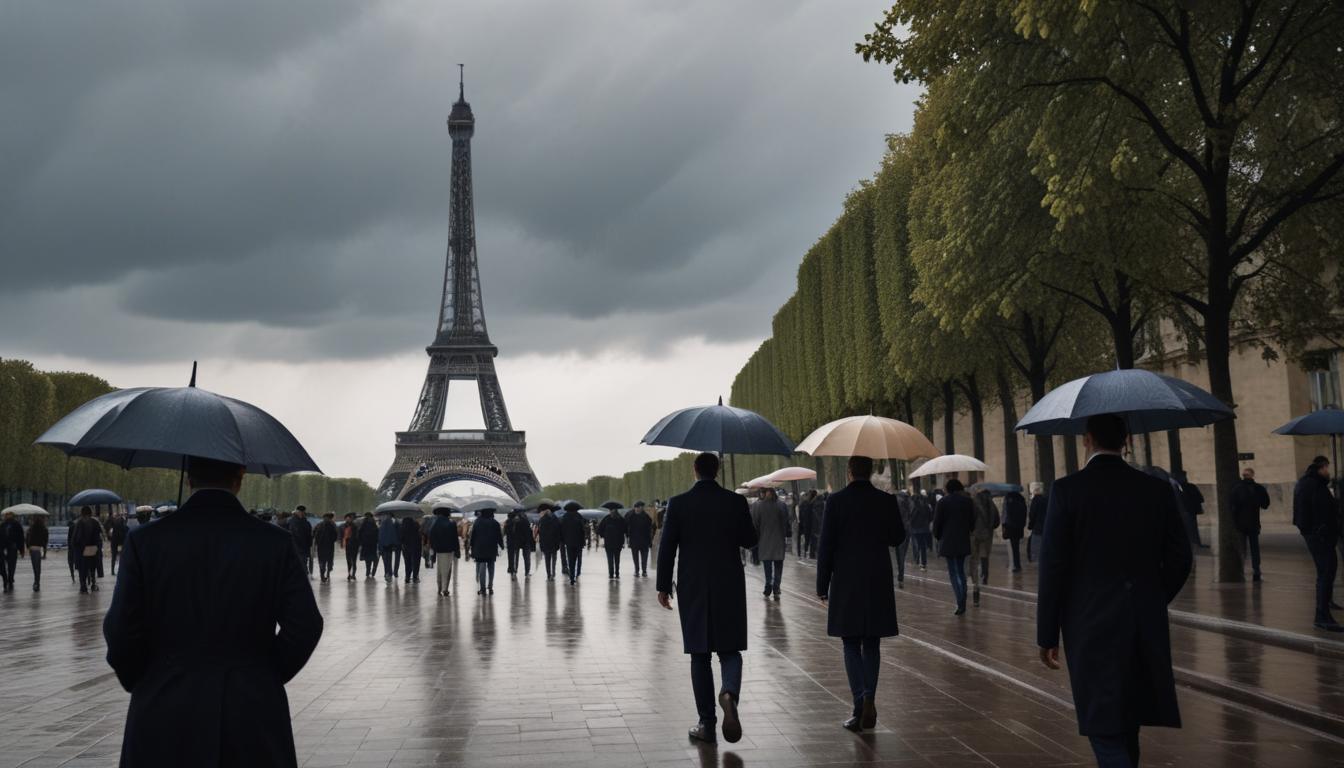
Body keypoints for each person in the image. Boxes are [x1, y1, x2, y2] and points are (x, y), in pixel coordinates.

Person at [103, 455, 323, 767]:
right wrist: (262, 674)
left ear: (188, 478)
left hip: (164, 706)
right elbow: (306, 625)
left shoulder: (145, 541)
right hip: (251, 708)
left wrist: (147, 679)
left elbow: (120, 629)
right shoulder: (275, 542)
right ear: (241, 476)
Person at [1037, 414, 1193, 767]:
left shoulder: (1067, 490)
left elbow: (1053, 567)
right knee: (1129, 718)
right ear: (1126, 441)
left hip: (1089, 620)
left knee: (1104, 726)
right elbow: (1181, 557)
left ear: (1087, 439)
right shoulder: (1155, 489)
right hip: (1142, 619)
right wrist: (1152, 596)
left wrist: (1047, 633)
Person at [656, 452, 757, 745]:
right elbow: (749, 540)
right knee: (730, 650)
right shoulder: (735, 502)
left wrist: (663, 586)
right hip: (729, 584)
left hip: (693, 585)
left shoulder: (678, 503)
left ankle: (707, 723)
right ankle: (729, 692)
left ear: (695, 470)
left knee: (699, 655)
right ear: (718, 470)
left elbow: (667, 548)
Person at [816, 456, 905, 732]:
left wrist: (822, 585)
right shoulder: (886, 500)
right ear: (870, 473)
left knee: (850, 643)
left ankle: (859, 703)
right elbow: (897, 537)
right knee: (873, 644)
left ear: (849, 472)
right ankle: (869, 697)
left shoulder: (836, 501)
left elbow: (826, 545)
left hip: (847, 579)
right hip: (877, 578)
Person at [1293, 456, 1342, 632]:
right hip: (1320, 536)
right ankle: (1322, 615)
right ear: (1321, 468)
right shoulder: (1315, 486)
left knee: (1325, 572)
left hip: (1314, 534)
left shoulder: (1305, 483)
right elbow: (1323, 510)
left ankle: (1323, 612)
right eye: (1327, 468)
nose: (1328, 472)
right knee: (1326, 572)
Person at [931, 479, 975, 615]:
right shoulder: (968, 501)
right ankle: (962, 598)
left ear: (948, 489)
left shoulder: (943, 502)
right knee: (961, 571)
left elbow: (937, 522)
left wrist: (938, 536)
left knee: (953, 572)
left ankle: (960, 600)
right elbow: (972, 522)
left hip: (948, 541)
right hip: (963, 539)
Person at [1230, 467, 1271, 583]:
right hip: (1253, 522)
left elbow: (1232, 507)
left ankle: (1240, 568)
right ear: (1252, 475)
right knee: (1254, 547)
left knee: (1242, 547)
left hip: (1240, 523)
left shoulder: (1236, 489)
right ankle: (1256, 569)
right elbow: (1265, 504)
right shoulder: (1258, 489)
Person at [750, 487, 790, 599]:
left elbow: (755, 524)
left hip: (764, 540)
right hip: (779, 541)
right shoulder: (781, 505)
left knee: (767, 566)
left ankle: (768, 584)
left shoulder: (758, 506)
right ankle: (776, 587)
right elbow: (786, 521)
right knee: (778, 565)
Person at [969, 488, 999, 605]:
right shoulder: (991, 504)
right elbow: (997, 520)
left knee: (974, 559)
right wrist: (990, 527)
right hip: (987, 534)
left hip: (974, 534)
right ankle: (985, 575)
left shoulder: (973, 503)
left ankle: (976, 582)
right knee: (985, 555)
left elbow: (970, 518)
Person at [469, 508, 504, 595]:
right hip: (491, 548)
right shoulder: (495, 523)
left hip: (479, 548)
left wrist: (471, 546)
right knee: (491, 567)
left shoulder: (477, 522)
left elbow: (473, 536)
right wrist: (501, 545)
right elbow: (499, 536)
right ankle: (490, 587)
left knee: (482, 567)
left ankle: (483, 588)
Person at [71, 505, 104, 593]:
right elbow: (100, 536)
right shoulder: (95, 522)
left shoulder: (79, 523)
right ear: (90, 513)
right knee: (93, 568)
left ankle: (83, 587)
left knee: (83, 570)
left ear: (82, 513)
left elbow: (76, 539)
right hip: (93, 549)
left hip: (82, 550)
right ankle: (93, 584)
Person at [428, 507, 460, 596]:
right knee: (447, 570)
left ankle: (439, 587)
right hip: (448, 550)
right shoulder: (451, 523)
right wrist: (457, 550)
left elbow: (431, 536)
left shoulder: (434, 523)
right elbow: (455, 538)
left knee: (440, 569)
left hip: (438, 550)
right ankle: (445, 589)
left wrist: (433, 550)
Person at [1175, 471, 1207, 548]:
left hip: (1186, 510)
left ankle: (1192, 543)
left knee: (1187, 528)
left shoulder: (1179, 488)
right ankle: (1196, 543)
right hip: (1191, 510)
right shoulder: (1190, 486)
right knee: (1193, 528)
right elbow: (1201, 498)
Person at [598, 505, 628, 579]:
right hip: (614, 542)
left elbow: (600, 529)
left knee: (613, 559)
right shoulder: (620, 519)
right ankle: (614, 573)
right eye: (611, 510)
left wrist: (603, 535)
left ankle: (613, 573)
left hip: (613, 542)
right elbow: (625, 530)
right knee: (614, 559)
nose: (612, 511)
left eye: (612, 510)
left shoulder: (607, 519)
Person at [560, 501, 586, 585]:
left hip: (569, 542)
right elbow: (582, 531)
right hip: (578, 541)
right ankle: (577, 572)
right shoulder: (579, 517)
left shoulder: (564, 517)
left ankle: (571, 577)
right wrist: (583, 542)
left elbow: (562, 531)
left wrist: (563, 540)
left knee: (571, 559)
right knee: (578, 558)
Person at [1002, 489, 1027, 573]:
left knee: (1012, 547)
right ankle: (1017, 564)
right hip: (1019, 526)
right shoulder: (1021, 499)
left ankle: (1014, 565)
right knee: (1016, 547)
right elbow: (1025, 513)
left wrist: (1004, 525)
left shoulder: (1008, 500)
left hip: (1010, 526)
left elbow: (1005, 514)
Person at [626, 502, 654, 577]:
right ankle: (637, 570)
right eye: (638, 507)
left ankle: (644, 571)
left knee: (644, 558)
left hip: (644, 541)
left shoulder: (646, 517)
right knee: (635, 558)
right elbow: (627, 527)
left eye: (641, 507)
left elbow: (650, 528)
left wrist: (650, 541)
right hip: (634, 541)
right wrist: (628, 539)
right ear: (635, 508)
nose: (639, 509)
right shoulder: (631, 516)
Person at [908, 489, 933, 572]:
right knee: (923, 546)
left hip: (916, 529)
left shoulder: (915, 507)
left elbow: (912, 518)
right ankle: (923, 563)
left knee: (917, 545)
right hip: (925, 529)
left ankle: (919, 561)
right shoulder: (926, 506)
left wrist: (911, 523)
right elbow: (930, 517)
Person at [536, 502, 562, 580]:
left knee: (547, 559)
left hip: (545, 543)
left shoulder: (541, 520)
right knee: (554, 558)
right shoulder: (555, 519)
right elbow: (558, 531)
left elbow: (540, 532)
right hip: (554, 542)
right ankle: (553, 572)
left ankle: (548, 574)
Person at [310, 512, 338, 584]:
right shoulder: (333, 525)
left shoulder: (318, 525)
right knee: (329, 560)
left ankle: (322, 575)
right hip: (329, 546)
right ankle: (328, 573)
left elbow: (313, 534)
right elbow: (335, 536)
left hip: (320, 547)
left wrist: (316, 542)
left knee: (322, 561)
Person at [0, 510, 24, 593]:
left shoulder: (17, 525)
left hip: (12, 547)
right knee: (2, 567)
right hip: (2, 548)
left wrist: (21, 550)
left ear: (12, 516)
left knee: (11, 566)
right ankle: (6, 580)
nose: (7, 516)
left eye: (9, 515)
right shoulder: (3, 525)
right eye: (6, 515)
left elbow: (21, 538)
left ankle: (10, 580)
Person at [286, 506, 314, 578]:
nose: (301, 514)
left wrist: (309, 545)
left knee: (303, 563)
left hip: (304, 548)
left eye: (302, 512)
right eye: (300, 512)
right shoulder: (291, 522)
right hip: (294, 547)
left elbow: (309, 536)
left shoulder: (306, 523)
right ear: (297, 512)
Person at [508, 510, 534, 579]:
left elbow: (510, 531)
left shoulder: (512, 520)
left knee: (515, 557)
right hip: (525, 542)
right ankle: (527, 572)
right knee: (527, 557)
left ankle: (514, 571)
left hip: (515, 541)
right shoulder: (526, 519)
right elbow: (529, 532)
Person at [25, 513, 47, 591]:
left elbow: (27, 539)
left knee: (35, 567)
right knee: (38, 567)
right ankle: (37, 582)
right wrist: (44, 553)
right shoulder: (44, 529)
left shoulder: (31, 528)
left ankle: (36, 583)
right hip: (38, 549)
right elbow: (45, 542)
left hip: (32, 549)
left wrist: (28, 547)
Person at [1026, 482, 1046, 563]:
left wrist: (1030, 525)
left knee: (1036, 551)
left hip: (1037, 529)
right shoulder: (1046, 499)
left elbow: (1032, 515)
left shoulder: (1035, 501)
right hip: (1045, 528)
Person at [377, 512, 400, 583]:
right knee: (389, 559)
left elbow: (380, 536)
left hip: (383, 545)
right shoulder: (392, 523)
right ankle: (390, 572)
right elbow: (393, 535)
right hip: (390, 545)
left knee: (385, 560)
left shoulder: (382, 524)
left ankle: (387, 572)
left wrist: (379, 546)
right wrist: (395, 543)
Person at [400, 514, 422, 584]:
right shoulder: (416, 524)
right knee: (416, 562)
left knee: (407, 562)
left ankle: (407, 577)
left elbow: (401, 537)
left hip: (406, 547)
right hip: (416, 546)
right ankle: (415, 577)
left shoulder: (403, 526)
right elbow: (420, 534)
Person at [358, 512, 380, 579]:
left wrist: (361, 543)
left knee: (367, 559)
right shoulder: (373, 523)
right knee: (375, 557)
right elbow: (377, 533)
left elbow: (359, 533)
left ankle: (368, 571)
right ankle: (373, 570)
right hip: (373, 544)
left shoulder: (363, 524)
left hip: (365, 544)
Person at [796, 490, 815, 558]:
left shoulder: (802, 504)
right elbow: (805, 516)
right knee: (806, 541)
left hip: (803, 526)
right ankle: (804, 553)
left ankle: (802, 553)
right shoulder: (806, 504)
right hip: (805, 526)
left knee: (803, 541)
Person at [341, 513, 359, 581]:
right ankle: (349, 574)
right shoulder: (344, 526)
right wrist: (342, 543)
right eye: (347, 518)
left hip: (354, 545)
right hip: (348, 546)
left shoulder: (355, 526)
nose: (348, 519)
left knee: (354, 561)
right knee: (348, 561)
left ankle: (353, 574)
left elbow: (357, 536)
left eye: (349, 518)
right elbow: (342, 536)